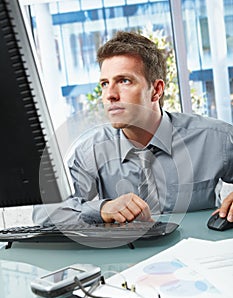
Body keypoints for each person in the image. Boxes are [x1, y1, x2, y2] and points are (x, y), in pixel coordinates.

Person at [33, 31, 233, 227]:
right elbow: (44, 213)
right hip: (126, 257)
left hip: (200, 255)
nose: (110, 95)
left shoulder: (215, 138)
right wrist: (102, 210)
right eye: (104, 83)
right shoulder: (91, 150)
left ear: (156, 90)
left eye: (124, 81)